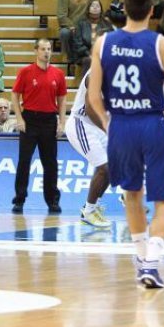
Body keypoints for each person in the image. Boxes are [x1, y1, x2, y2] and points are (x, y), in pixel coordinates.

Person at [87, 0, 164, 289]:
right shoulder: (161, 44)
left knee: (132, 194)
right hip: (154, 124)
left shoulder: (103, 43)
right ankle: (151, 262)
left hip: (121, 125)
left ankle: (141, 259)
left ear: (123, 8)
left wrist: (111, 126)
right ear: (152, 11)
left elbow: (93, 96)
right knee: (163, 199)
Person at [11, 38, 67, 214]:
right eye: (43, 49)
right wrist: (19, 118)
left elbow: (62, 99)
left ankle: (52, 201)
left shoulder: (58, 74)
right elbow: (14, 95)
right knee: (24, 162)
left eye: (49, 49)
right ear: (36, 51)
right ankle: (19, 199)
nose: (46, 52)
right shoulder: (26, 72)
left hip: (49, 120)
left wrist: (62, 121)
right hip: (30, 120)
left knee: (50, 163)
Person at [65, 71, 112, 227]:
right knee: (103, 167)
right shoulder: (95, 73)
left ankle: (93, 206)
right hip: (81, 123)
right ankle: (89, 212)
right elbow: (91, 108)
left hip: (96, 125)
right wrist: (107, 128)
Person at [57, 0, 96, 64]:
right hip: (70, 26)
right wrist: (72, 26)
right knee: (64, 33)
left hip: (85, 26)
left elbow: (95, 10)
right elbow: (61, 16)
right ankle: (66, 55)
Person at [72, 0, 113, 77]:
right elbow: (78, 44)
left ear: (101, 9)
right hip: (84, 55)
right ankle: (85, 86)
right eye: (92, 6)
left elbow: (110, 42)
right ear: (88, 9)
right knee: (88, 60)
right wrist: (89, 54)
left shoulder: (107, 24)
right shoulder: (81, 24)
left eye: (97, 6)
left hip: (102, 54)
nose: (95, 8)